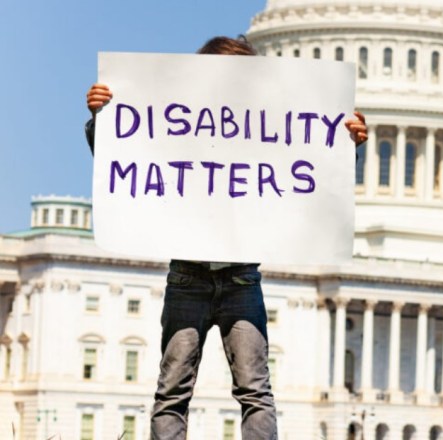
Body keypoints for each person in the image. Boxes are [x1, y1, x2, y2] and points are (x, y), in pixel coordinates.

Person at [84, 36, 368, 440]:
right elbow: (129, 158)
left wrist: (345, 145)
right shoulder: (178, 119)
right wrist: (103, 119)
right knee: (172, 392)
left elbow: (313, 175)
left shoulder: (265, 125)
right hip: (188, 277)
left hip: (241, 278)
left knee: (255, 392)